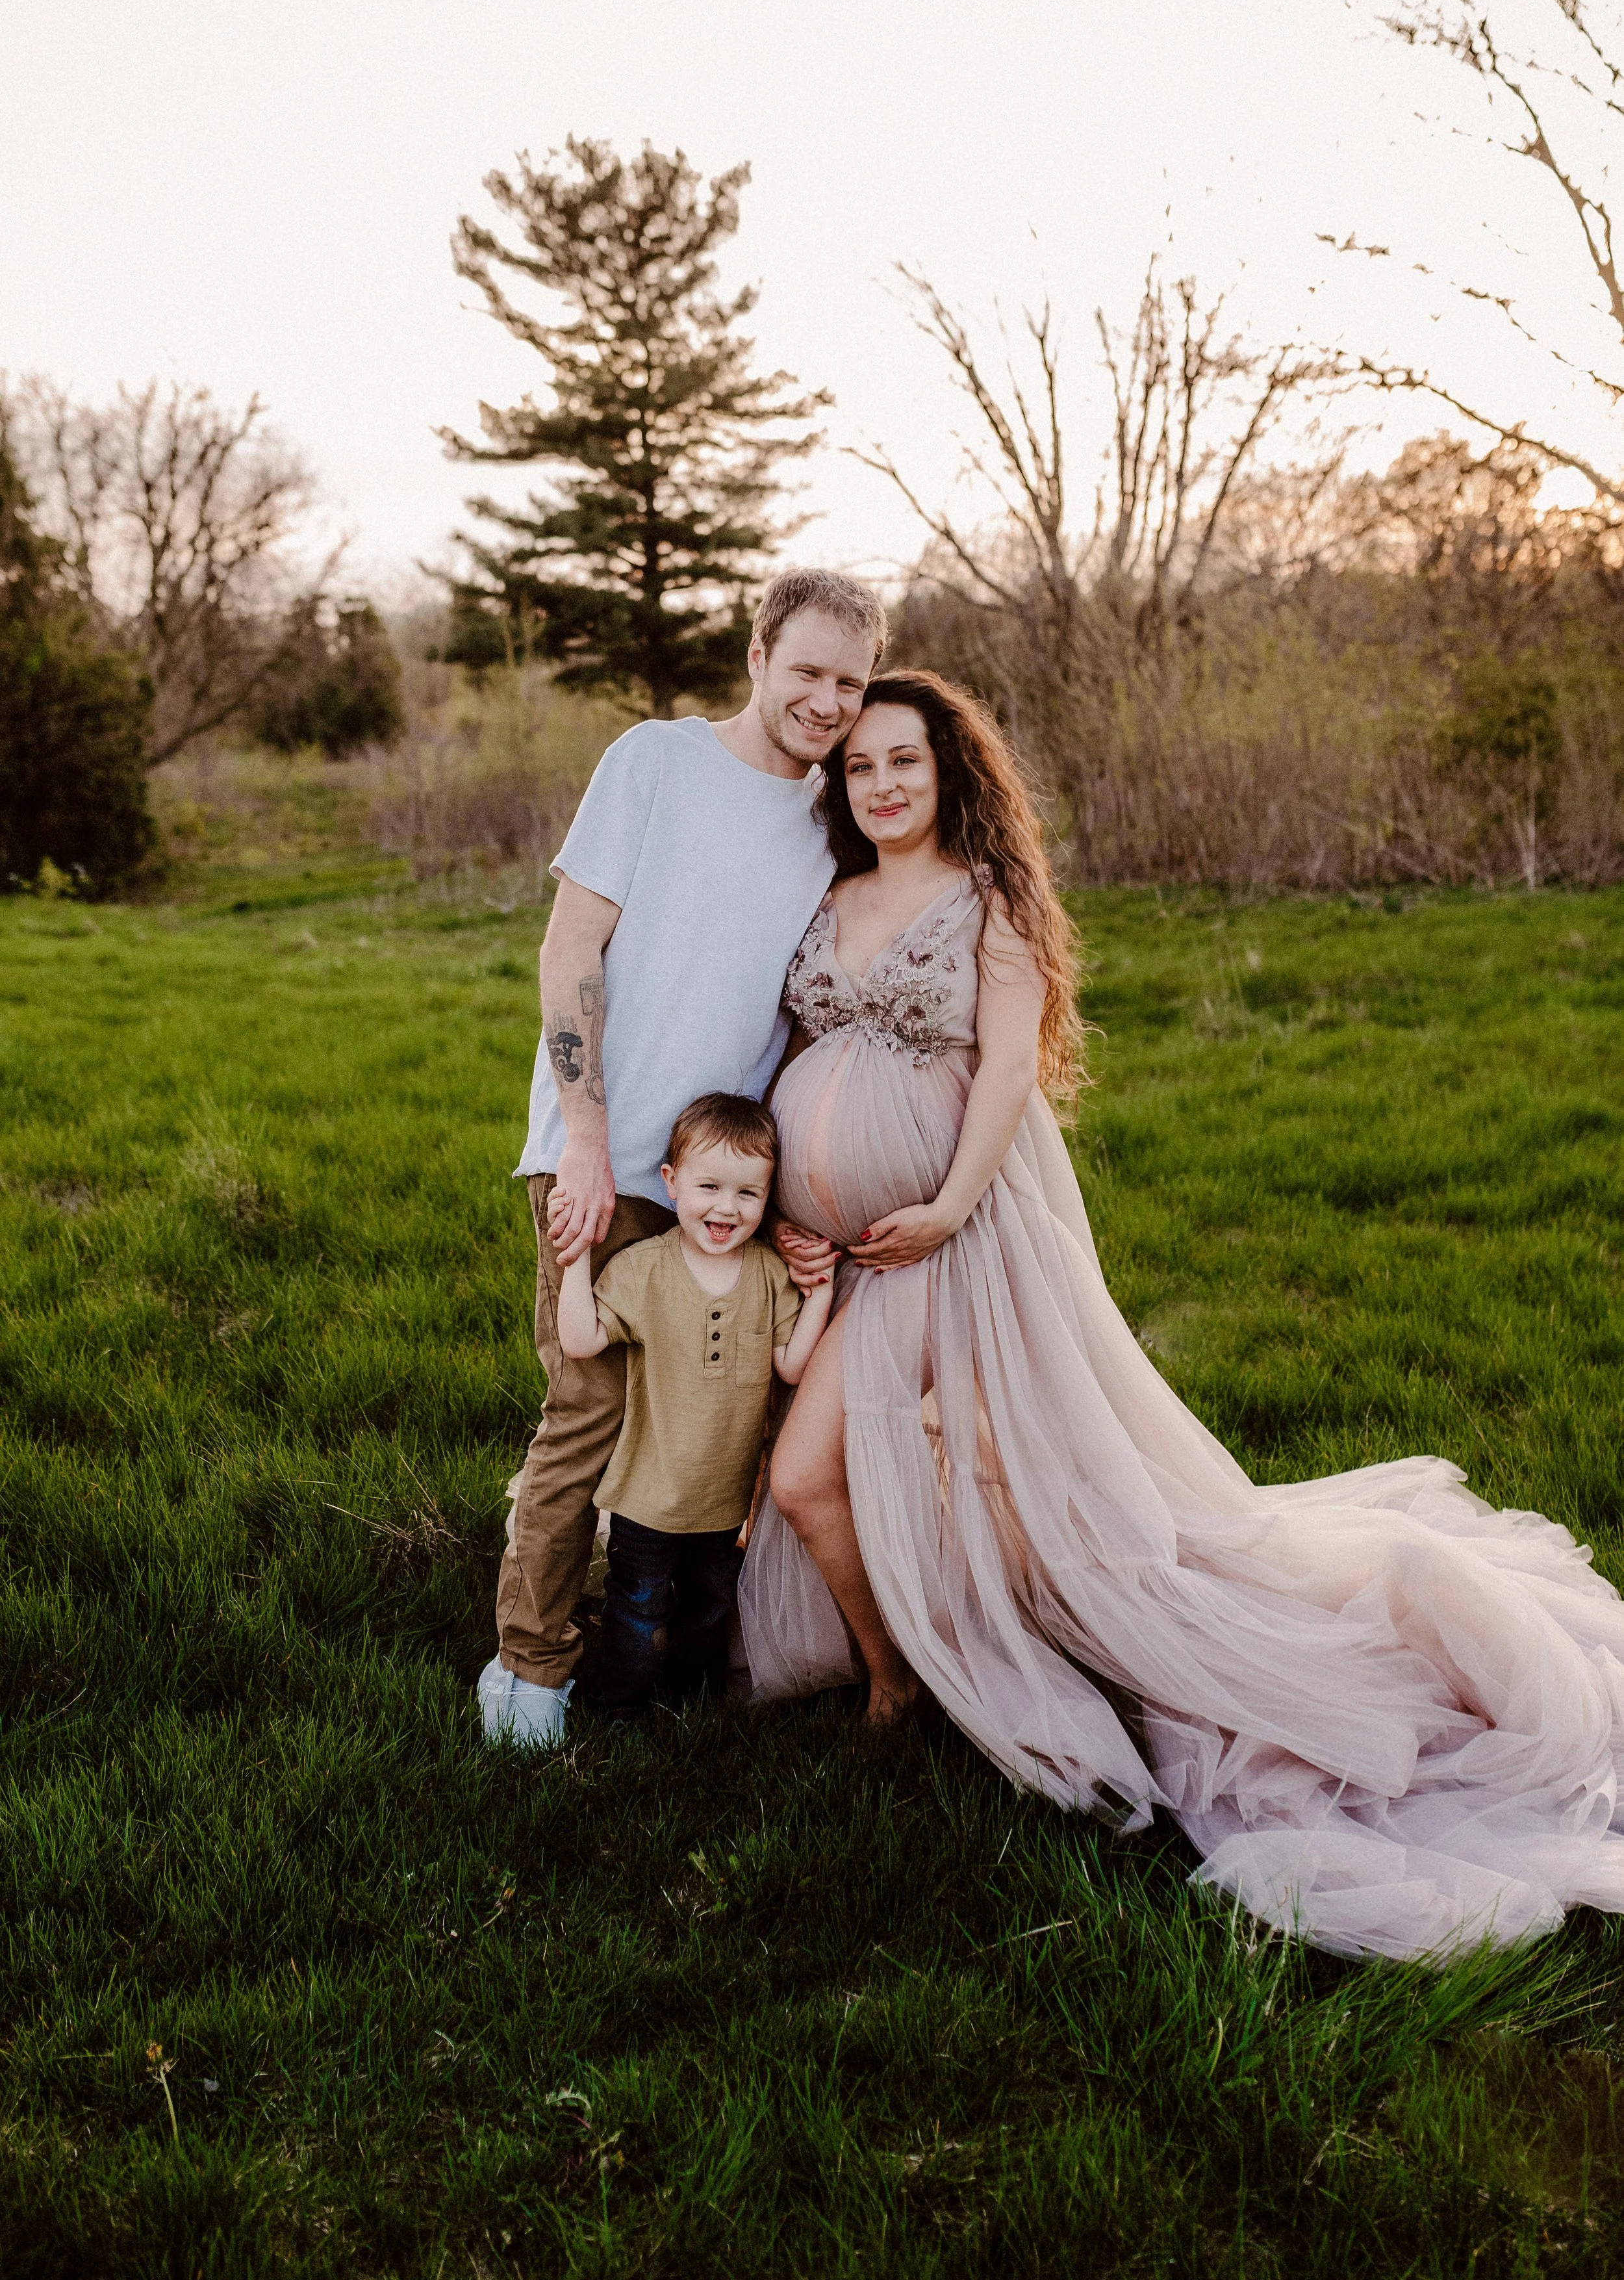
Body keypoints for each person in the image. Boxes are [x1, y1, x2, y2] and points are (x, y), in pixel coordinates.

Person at [739, 668, 1624, 1962]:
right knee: (917, 1473)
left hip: (955, 1242)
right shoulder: (828, 896)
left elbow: (1003, 1075)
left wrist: (944, 1207)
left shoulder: (986, 900)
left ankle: (899, 1681)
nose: (879, 784)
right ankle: (920, 1656)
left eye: (903, 761)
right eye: (859, 765)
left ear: (948, 772)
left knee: (815, 1473)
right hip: (855, 1258)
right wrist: (787, 1210)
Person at [476, 567, 883, 1749]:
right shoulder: (654, 761)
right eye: (807, 671)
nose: (826, 702)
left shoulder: (835, 818)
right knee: (587, 1410)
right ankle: (532, 1663)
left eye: (850, 684)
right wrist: (585, 1143)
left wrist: (791, 1186)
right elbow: (570, 950)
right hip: (604, 1154)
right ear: (756, 656)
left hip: (730, 1182)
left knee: (716, 1426)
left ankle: (670, 1638)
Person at [555, 1092, 833, 1711]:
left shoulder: (768, 1275)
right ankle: (618, 1707)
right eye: (709, 1187)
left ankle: (691, 1705)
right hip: (647, 1499)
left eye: (748, 1193)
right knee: (638, 1605)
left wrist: (820, 1291)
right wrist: (576, 1257)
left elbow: (791, 1364)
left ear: (768, 1197)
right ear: (671, 1182)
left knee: (709, 1605)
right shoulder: (645, 1269)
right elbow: (580, 1339)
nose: (726, 1208)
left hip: (724, 1502)